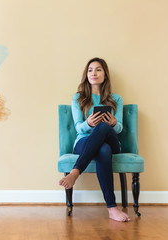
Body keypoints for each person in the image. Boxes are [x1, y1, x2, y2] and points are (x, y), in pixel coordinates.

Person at [58, 57, 131, 222]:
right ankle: (112, 209)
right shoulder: (78, 98)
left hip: (113, 142)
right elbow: (78, 127)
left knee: (104, 128)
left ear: (105, 74)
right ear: (86, 75)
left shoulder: (116, 99)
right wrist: (88, 123)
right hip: (83, 142)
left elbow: (119, 128)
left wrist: (113, 123)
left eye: (98, 69)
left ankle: (75, 172)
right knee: (103, 149)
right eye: (90, 70)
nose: (94, 73)